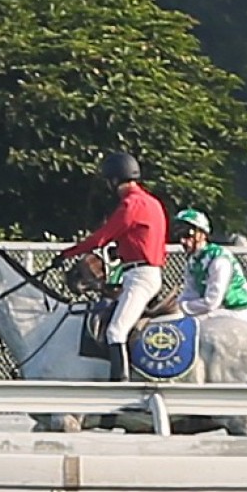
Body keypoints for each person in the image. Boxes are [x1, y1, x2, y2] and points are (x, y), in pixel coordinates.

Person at [54, 152, 168, 381]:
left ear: (114, 180)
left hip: (139, 276)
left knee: (116, 330)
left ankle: (120, 386)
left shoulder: (131, 204)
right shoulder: (152, 203)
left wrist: (66, 254)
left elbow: (100, 238)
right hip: (141, 272)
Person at [173, 208, 247, 322]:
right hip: (214, 311)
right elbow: (189, 294)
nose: (182, 240)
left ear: (202, 234)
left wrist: (181, 307)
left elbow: (212, 302)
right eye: (179, 234)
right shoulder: (193, 261)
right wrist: (176, 307)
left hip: (234, 312)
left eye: (187, 233)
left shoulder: (219, 259)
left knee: (190, 323)